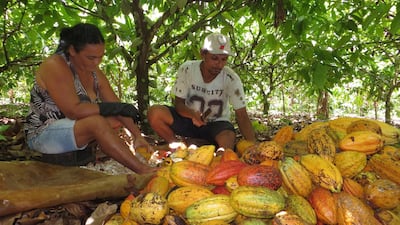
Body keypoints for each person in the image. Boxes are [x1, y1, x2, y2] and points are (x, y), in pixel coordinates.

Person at [24, 23, 156, 174]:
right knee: (97, 123)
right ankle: (143, 170)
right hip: (43, 133)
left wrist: (137, 136)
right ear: (72, 50)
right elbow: (74, 110)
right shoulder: (55, 65)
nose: (96, 62)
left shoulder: (93, 71)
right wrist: (113, 108)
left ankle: (115, 156)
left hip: (74, 128)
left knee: (117, 118)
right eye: (91, 57)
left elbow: (116, 104)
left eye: (100, 57)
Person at [147, 33, 256, 150]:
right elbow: (179, 104)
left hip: (217, 124)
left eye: (224, 59)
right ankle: (177, 146)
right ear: (203, 54)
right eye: (214, 58)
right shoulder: (188, 69)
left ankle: (211, 148)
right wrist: (192, 114)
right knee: (155, 113)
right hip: (188, 119)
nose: (219, 64)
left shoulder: (231, 78)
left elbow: (242, 115)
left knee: (228, 137)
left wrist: (253, 145)